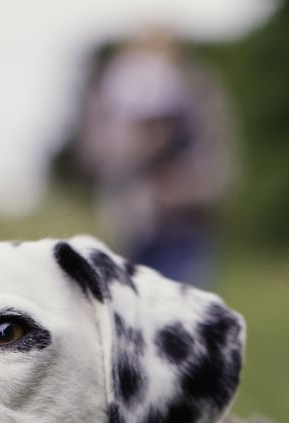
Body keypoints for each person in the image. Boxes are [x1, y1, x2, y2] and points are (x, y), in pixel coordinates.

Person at [72, 28, 234, 288]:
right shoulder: (110, 91)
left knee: (185, 309)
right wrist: (134, 150)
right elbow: (94, 157)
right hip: (128, 224)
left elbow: (218, 161)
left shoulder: (199, 89)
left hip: (185, 226)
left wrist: (189, 188)